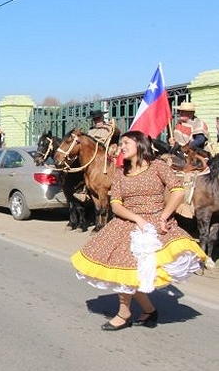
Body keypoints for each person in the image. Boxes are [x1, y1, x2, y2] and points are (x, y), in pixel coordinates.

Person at [70, 130, 206, 331]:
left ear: (139, 144)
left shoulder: (157, 166)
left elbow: (178, 191)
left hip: (156, 223)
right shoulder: (120, 173)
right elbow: (115, 204)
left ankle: (132, 313)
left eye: (126, 143)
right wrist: (136, 219)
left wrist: (163, 216)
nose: (121, 147)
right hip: (127, 223)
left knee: (136, 273)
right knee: (126, 270)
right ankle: (140, 311)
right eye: (121, 143)